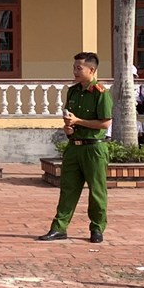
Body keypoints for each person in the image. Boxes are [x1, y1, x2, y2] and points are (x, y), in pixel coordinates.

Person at [39, 52, 113, 243]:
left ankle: (97, 229)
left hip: (94, 148)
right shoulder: (72, 91)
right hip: (74, 147)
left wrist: (78, 121)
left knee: (97, 191)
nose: (75, 71)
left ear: (92, 70)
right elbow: (70, 119)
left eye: (79, 68)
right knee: (68, 189)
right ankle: (59, 228)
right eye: (74, 68)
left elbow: (105, 123)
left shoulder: (100, 93)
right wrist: (69, 128)